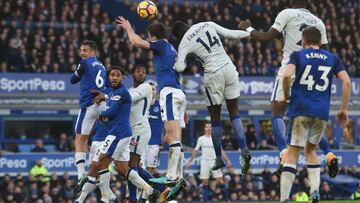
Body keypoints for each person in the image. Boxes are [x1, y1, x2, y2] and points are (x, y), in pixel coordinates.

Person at [238, 0, 339, 178]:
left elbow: (266, 37)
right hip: (310, 73)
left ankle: (284, 152)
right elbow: (327, 53)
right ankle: (329, 153)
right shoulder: (318, 22)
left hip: (290, 69)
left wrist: (248, 29)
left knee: (277, 113)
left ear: (292, 2)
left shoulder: (287, 13)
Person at [117, 17, 187, 201]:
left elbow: (136, 42)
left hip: (170, 93)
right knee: (171, 137)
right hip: (178, 92)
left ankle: (173, 179)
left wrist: (129, 28)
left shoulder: (162, 45)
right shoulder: (171, 48)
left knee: (171, 137)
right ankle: (172, 178)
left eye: (150, 37)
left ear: (153, 36)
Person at [279, 27, 350, 203]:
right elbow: (347, 81)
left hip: (300, 108)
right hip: (321, 112)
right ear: (320, 40)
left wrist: (286, 95)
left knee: (292, 152)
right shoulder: (332, 58)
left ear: (303, 41)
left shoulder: (298, 54)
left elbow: (286, 75)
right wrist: (343, 109)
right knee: (310, 150)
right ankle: (315, 192)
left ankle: (284, 199)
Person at [172, 20, 251, 173]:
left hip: (213, 74)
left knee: (215, 118)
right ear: (187, 26)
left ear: (178, 36)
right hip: (229, 68)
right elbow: (230, 34)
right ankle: (244, 150)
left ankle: (219, 158)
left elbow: (180, 67)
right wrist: (249, 33)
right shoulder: (207, 24)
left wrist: (177, 63)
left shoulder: (184, 42)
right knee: (234, 112)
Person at [76, 66, 159, 203]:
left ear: (122, 78)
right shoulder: (113, 92)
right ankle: (150, 190)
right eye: (112, 75)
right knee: (121, 168)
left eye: (117, 75)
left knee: (100, 162)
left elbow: (111, 112)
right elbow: (110, 104)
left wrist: (99, 113)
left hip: (120, 133)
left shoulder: (123, 92)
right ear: (108, 77)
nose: (114, 77)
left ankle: (103, 197)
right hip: (120, 133)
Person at [70, 40, 107, 186]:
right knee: (95, 140)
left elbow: (73, 80)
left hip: (89, 105)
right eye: (81, 50)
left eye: (85, 50)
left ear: (92, 52)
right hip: (102, 104)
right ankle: (97, 176)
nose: (82, 53)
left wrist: (79, 71)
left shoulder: (84, 63)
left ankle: (80, 175)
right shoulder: (102, 66)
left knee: (79, 140)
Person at [185, 122, 232, 202]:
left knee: (220, 181)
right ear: (204, 129)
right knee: (205, 182)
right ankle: (205, 201)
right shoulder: (201, 139)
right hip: (204, 162)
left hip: (214, 161)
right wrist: (189, 162)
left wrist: (228, 161)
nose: (209, 128)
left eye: (210, 127)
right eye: (207, 127)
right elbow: (195, 151)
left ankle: (226, 200)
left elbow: (221, 150)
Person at [143, 82, 163, 176]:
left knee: (151, 168)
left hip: (154, 142)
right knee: (139, 167)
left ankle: (148, 189)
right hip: (141, 142)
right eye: (149, 89)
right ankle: (140, 189)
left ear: (157, 91)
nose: (151, 91)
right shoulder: (141, 104)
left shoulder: (161, 106)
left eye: (153, 89)